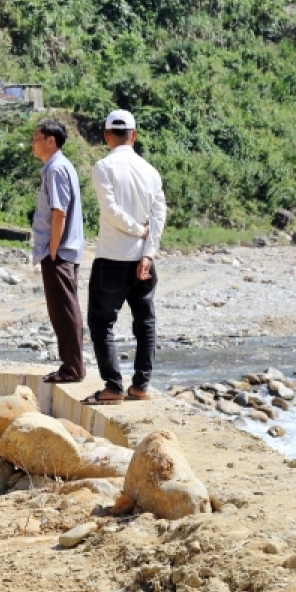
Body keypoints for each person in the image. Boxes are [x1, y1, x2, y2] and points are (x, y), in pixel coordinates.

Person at [83, 109, 168, 405]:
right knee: (145, 322)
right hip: (143, 261)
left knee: (101, 322)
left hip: (112, 258)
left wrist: (136, 231)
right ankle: (141, 384)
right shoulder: (151, 171)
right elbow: (159, 215)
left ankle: (113, 386)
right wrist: (148, 252)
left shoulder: (103, 167)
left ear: (107, 136)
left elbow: (110, 212)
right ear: (134, 135)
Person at [29, 119, 86, 384]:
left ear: (50, 140)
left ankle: (72, 368)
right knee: (64, 309)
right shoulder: (58, 167)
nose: (32, 143)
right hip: (61, 250)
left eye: (36, 138)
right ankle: (71, 365)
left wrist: (52, 249)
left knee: (64, 310)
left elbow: (59, 211)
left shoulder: (56, 168)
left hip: (59, 252)